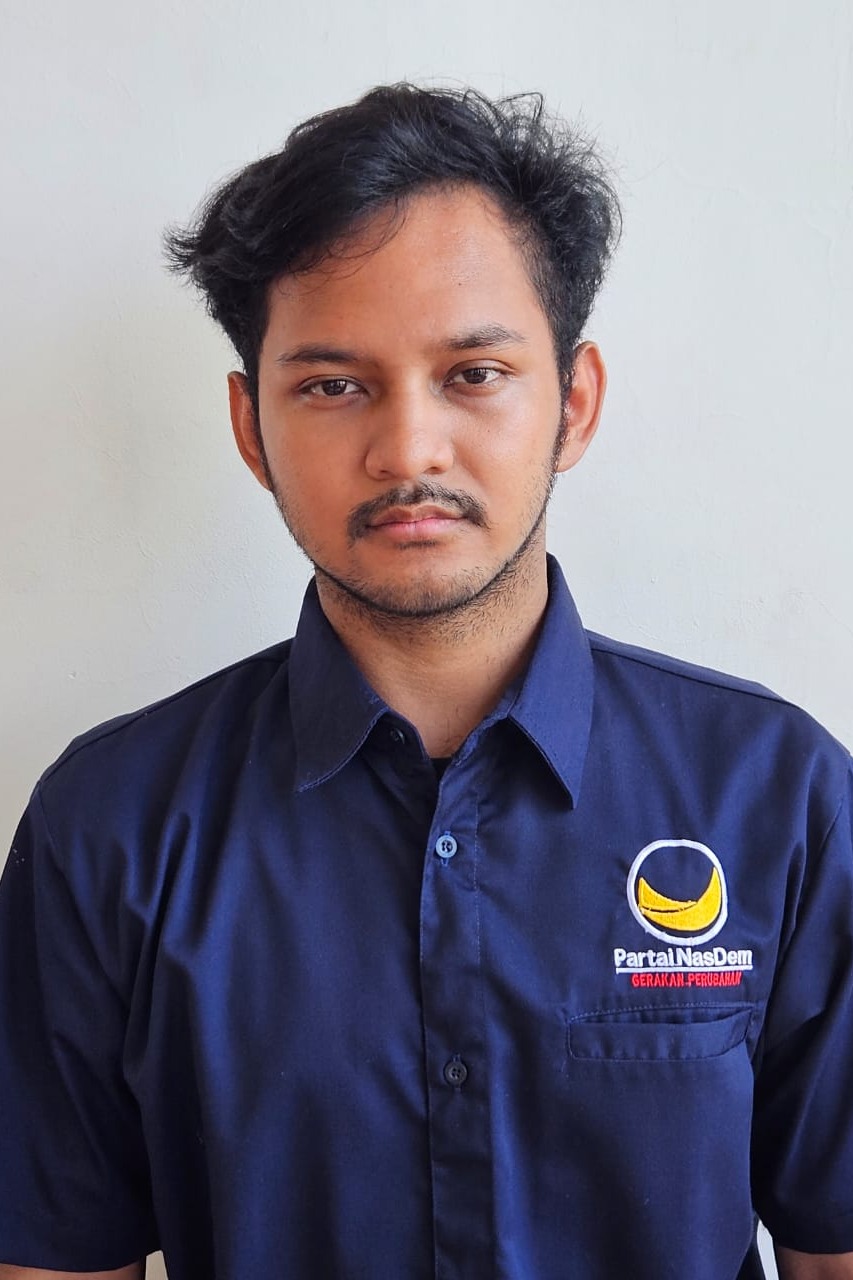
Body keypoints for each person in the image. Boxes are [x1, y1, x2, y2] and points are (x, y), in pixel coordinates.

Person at [0, 83, 851, 1280]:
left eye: (474, 372)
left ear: (573, 402)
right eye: (332, 384)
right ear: (250, 427)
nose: (407, 449)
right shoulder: (109, 827)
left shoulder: (777, 796)